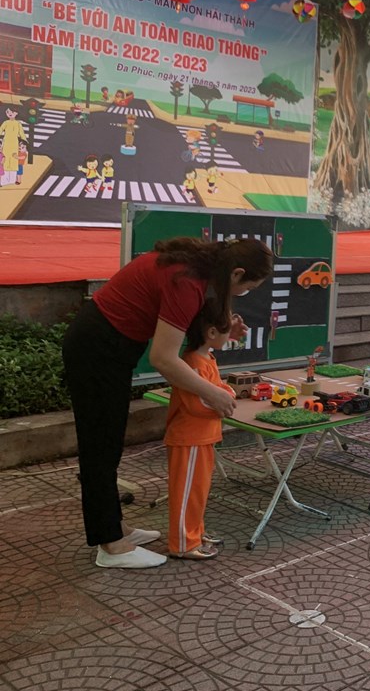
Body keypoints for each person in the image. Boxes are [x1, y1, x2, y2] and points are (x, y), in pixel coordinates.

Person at [62, 236, 273, 568]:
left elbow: (189, 327)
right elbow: (163, 357)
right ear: (237, 273)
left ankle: (115, 528)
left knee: (109, 443)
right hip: (97, 347)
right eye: (249, 286)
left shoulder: (196, 270)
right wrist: (212, 392)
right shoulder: (186, 280)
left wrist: (223, 331)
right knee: (100, 445)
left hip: (109, 345)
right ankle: (110, 546)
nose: (245, 293)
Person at [165, 298, 233, 560]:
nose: (230, 335)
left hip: (200, 437)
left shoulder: (205, 358)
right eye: (227, 329)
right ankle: (183, 543)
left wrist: (224, 393)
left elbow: (215, 390)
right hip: (189, 438)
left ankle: (194, 533)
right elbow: (200, 403)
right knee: (187, 493)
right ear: (212, 332)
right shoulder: (193, 362)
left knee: (197, 491)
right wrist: (225, 397)